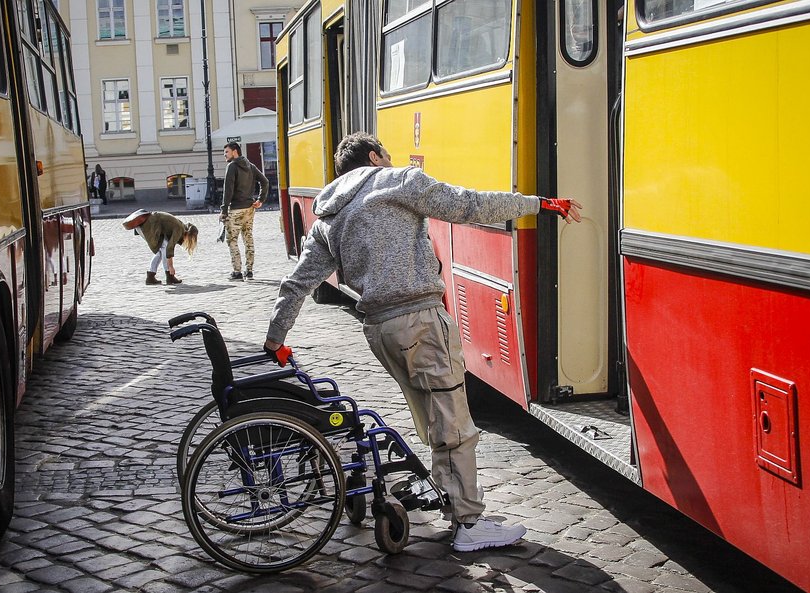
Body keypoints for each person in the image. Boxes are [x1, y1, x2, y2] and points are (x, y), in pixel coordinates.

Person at [263, 132, 582, 552]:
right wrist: (536, 203)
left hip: (379, 330)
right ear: (374, 157)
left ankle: (450, 495)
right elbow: (469, 205)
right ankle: (469, 524)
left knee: (432, 415)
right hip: (420, 320)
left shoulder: (328, 215)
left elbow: (299, 281)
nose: (392, 159)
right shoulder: (399, 181)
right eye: (386, 154)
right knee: (453, 422)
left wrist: (275, 338)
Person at [220, 142, 269, 280]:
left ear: (235, 152)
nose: (225, 155)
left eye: (227, 152)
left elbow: (227, 191)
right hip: (249, 209)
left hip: (236, 210)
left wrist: (224, 210)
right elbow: (265, 181)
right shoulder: (250, 166)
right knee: (248, 238)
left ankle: (237, 271)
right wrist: (260, 200)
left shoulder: (232, 166)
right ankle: (249, 270)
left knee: (232, 240)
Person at [134, 211, 198, 285]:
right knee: (165, 247)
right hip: (147, 226)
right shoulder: (179, 229)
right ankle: (169, 276)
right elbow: (169, 248)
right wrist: (171, 267)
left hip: (143, 226)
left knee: (159, 251)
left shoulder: (180, 226)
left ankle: (151, 277)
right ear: (189, 234)